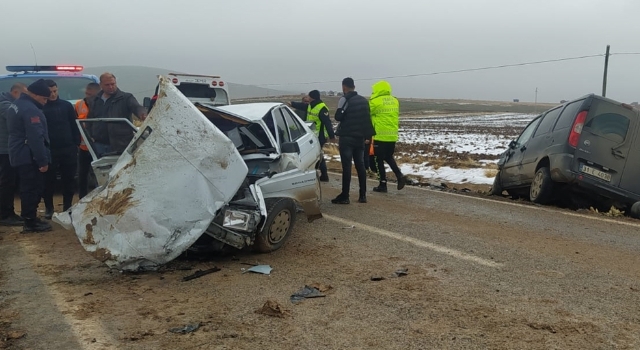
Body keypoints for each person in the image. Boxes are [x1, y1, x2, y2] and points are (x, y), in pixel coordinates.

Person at [7, 79, 52, 232]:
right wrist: (42, 160)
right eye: (44, 98)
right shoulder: (31, 110)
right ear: (35, 94)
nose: (45, 102)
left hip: (18, 152)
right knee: (32, 188)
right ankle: (30, 221)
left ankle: (29, 218)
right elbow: (35, 137)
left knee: (27, 187)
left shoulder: (17, 105)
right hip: (28, 154)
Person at [331, 77, 375, 204]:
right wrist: (368, 137)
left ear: (344, 87)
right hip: (360, 138)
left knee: (347, 167)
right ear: (354, 87)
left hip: (347, 137)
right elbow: (367, 120)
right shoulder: (364, 101)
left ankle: (345, 196)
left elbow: (338, 117)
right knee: (360, 165)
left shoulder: (344, 99)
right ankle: (363, 195)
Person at [42, 79, 81, 218]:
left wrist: (76, 142)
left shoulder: (66, 106)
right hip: (50, 150)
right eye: (49, 92)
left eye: (55, 91)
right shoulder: (41, 107)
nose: (52, 94)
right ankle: (49, 208)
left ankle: (68, 207)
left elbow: (74, 124)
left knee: (69, 180)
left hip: (68, 148)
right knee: (48, 181)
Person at [87, 72, 146, 156]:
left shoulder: (126, 98)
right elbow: (89, 119)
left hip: (120, 144)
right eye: (107, 85)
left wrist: (142, 114)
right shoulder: (95, 100)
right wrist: (90, 136)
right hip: (99, 144)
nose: (111, 87)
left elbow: (136, 107)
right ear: (101, 85)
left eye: (113, 84)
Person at [369, 80, 407, 192]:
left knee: (378, 160)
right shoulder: (395, 101)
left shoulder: (374, 102)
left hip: (379, 136)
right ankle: (399, 175)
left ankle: (382, 183)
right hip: (392, 136)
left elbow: (368, 113)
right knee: (389, 157)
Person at [0, 83, 27, 226]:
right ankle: (5, 214)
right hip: (5, 150)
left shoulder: (8, 103)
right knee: (7, 182)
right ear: (16, 93)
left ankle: (8, 212)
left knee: (9, 182)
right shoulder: (6, 105)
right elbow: (17, 120)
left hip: (7, 148)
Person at [299, 90, 335, 181]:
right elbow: (302, 106)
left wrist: (332, 136)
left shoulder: (322, 108)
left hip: (320, 136)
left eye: (309, 96)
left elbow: (327, 123)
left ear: (312, 97)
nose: (308, 98)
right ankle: (321, 174)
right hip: (312, 135)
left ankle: (323, 175)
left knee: (317, 155)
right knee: (316, 155)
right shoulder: (311, 106)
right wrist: (291, 103)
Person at [75, 82, 100, 199]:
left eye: (91, 94)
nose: (88, 95)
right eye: (87, 93)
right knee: (82, 175)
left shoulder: (103, 104)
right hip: (83, 147)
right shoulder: (78, 105)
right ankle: (82, 199)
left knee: (98, 175)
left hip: (99, 147)